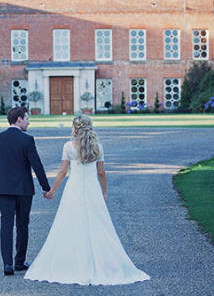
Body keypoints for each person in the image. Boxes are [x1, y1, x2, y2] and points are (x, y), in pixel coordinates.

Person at [25, 115, 150, 285]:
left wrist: (52, 191)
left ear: (74, 128)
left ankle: (69, 263)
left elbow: (62, 172)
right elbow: (101, 173)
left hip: (74, 189)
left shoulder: (68, 146)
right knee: (98, 224)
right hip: (92, 189)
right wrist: (104, 192)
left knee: (70, 223)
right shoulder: (97, 146)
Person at [0, 107, 51, 276]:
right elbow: (36, 165)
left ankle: (7, 264)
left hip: (2, 188)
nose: (28, 122)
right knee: (23, 225)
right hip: (23, 189)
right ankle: (19, 262)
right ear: (18, 120)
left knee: (6, 225)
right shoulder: (27, 140)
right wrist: (46, 187)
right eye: (26, 119)